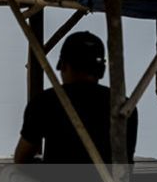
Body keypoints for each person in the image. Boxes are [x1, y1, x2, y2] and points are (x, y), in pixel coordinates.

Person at [15, 31, 138, 164]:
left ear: (63, 66)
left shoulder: (45, 101)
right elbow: (126, 160)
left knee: (8, 173)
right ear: (101, 71)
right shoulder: (125, 106)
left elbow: (22, 157)